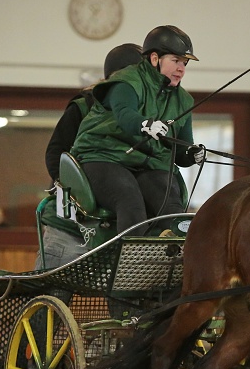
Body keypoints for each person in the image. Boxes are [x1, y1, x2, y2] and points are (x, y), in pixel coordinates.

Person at [70, 25, 206, 236]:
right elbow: (125, 114)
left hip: (148, 164)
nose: (182, 69)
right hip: (104, 156)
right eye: (176, 61)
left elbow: (181, 150)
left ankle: (176, 262)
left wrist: (192, 154)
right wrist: (146, 124)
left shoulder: (184, 100)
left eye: (185, 63)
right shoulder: (127, 81)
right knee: (129, 201)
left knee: (171, 208)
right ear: (154, 58)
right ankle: (131, 265)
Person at [35, 43, 144, 270]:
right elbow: (56, 153)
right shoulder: (84, 107)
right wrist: (77, 195)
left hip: (111, 229)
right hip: (69, 230)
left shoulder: (141, 114)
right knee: (52, 294)